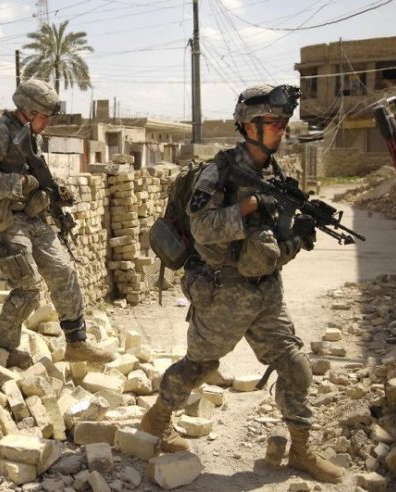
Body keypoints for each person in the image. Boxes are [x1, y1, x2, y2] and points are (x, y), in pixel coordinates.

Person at [139, 84, 343, 484]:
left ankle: (301, 450)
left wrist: (297, 234)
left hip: (266, 291)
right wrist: (249, 206)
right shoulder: (218, 173)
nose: (280, 130)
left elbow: (268, 241)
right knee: (198, 366)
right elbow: (202, 228)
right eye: (272, 123)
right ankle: (157, 419)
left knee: (295, 366)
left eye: (283, 123)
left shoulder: (274, 172)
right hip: (223, 293)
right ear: (249, 126)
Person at [0, 78, 114, 367]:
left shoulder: (31, 135)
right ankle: (2, 349)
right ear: (30, 111)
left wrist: (54, 192)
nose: (47, 122)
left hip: (32, 216)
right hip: (3, 219)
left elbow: (36, 173)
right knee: (29, 287)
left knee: (64, 271)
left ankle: (77, 343)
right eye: (44, 116)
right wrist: (20, 183)